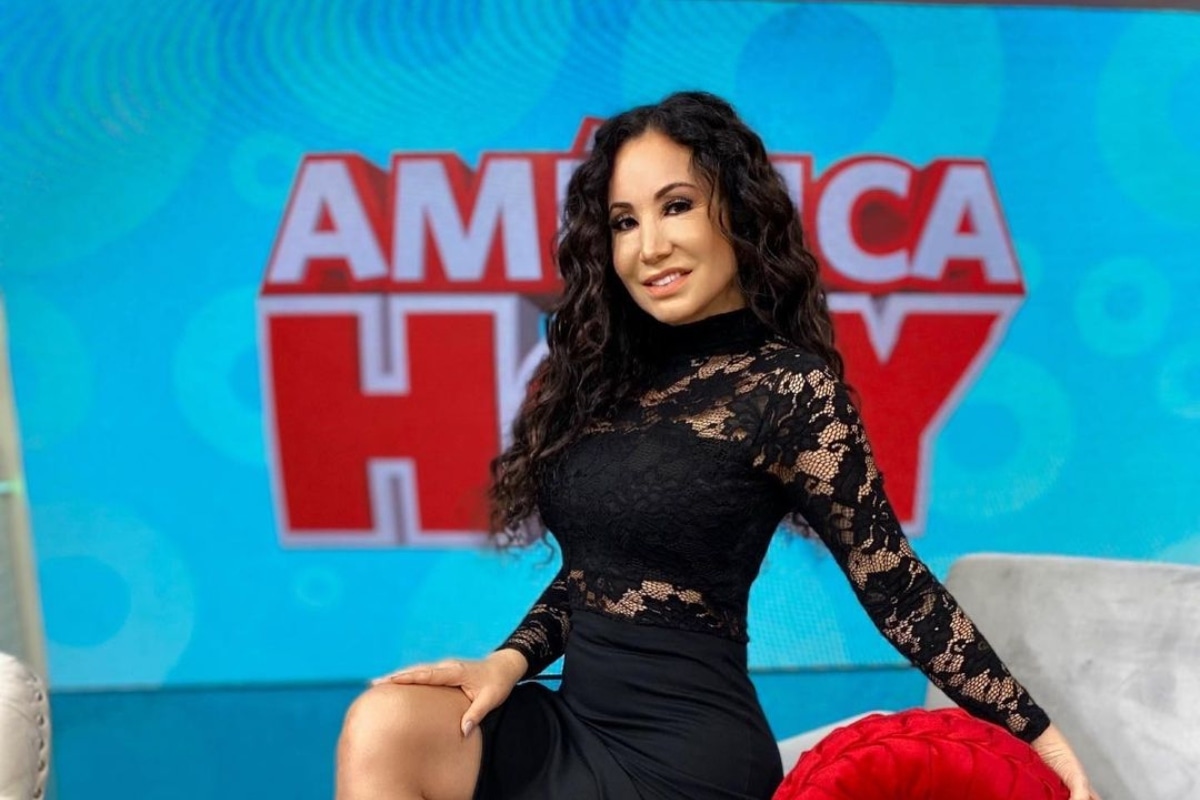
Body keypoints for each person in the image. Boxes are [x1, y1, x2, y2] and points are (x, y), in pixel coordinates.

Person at [336, 91, 1098, 800]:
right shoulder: (610, 382)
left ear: (736, 211)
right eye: (624, 221)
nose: (650, 246)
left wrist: (1043, 737)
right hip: (574, 721)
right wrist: (506, 662)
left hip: (686, 755)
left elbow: (895, 587)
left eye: (676, 207)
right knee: (386, 721)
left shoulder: (791, 389)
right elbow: (600, 571)